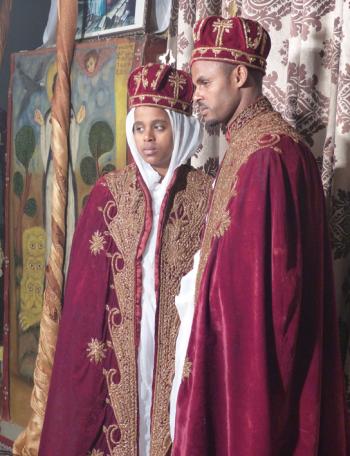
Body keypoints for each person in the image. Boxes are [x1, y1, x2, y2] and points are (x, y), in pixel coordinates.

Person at [171, 16, 349, 456]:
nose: (196, 96)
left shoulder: (268, 155)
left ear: (238, 74)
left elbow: (270, 296)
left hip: (249, 369)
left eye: (205, 83)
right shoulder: (253, 147)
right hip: (232, 354)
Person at [38, 63, 212, 456]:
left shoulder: (205, 194)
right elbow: (84, 299)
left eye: (159, 126)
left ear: (180, 127)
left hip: (177, 345)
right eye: (139, 127)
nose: (147, 138)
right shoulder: (109, 193)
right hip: (118, 350)